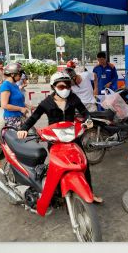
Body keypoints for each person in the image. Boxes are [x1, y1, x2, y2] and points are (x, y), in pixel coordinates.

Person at [16, 72, 103, 203]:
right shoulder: (46, 102)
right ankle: (56, 192)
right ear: (53, 87)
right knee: (55, 167)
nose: (66, 89)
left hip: (72, 137)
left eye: (68, 86)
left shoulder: (73, 98)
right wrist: (23, 129)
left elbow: (85, 112)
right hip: (54, 140)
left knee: (83, 164)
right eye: (62, 87)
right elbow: (34, 117)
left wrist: (88, 120)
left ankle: (89, 192)